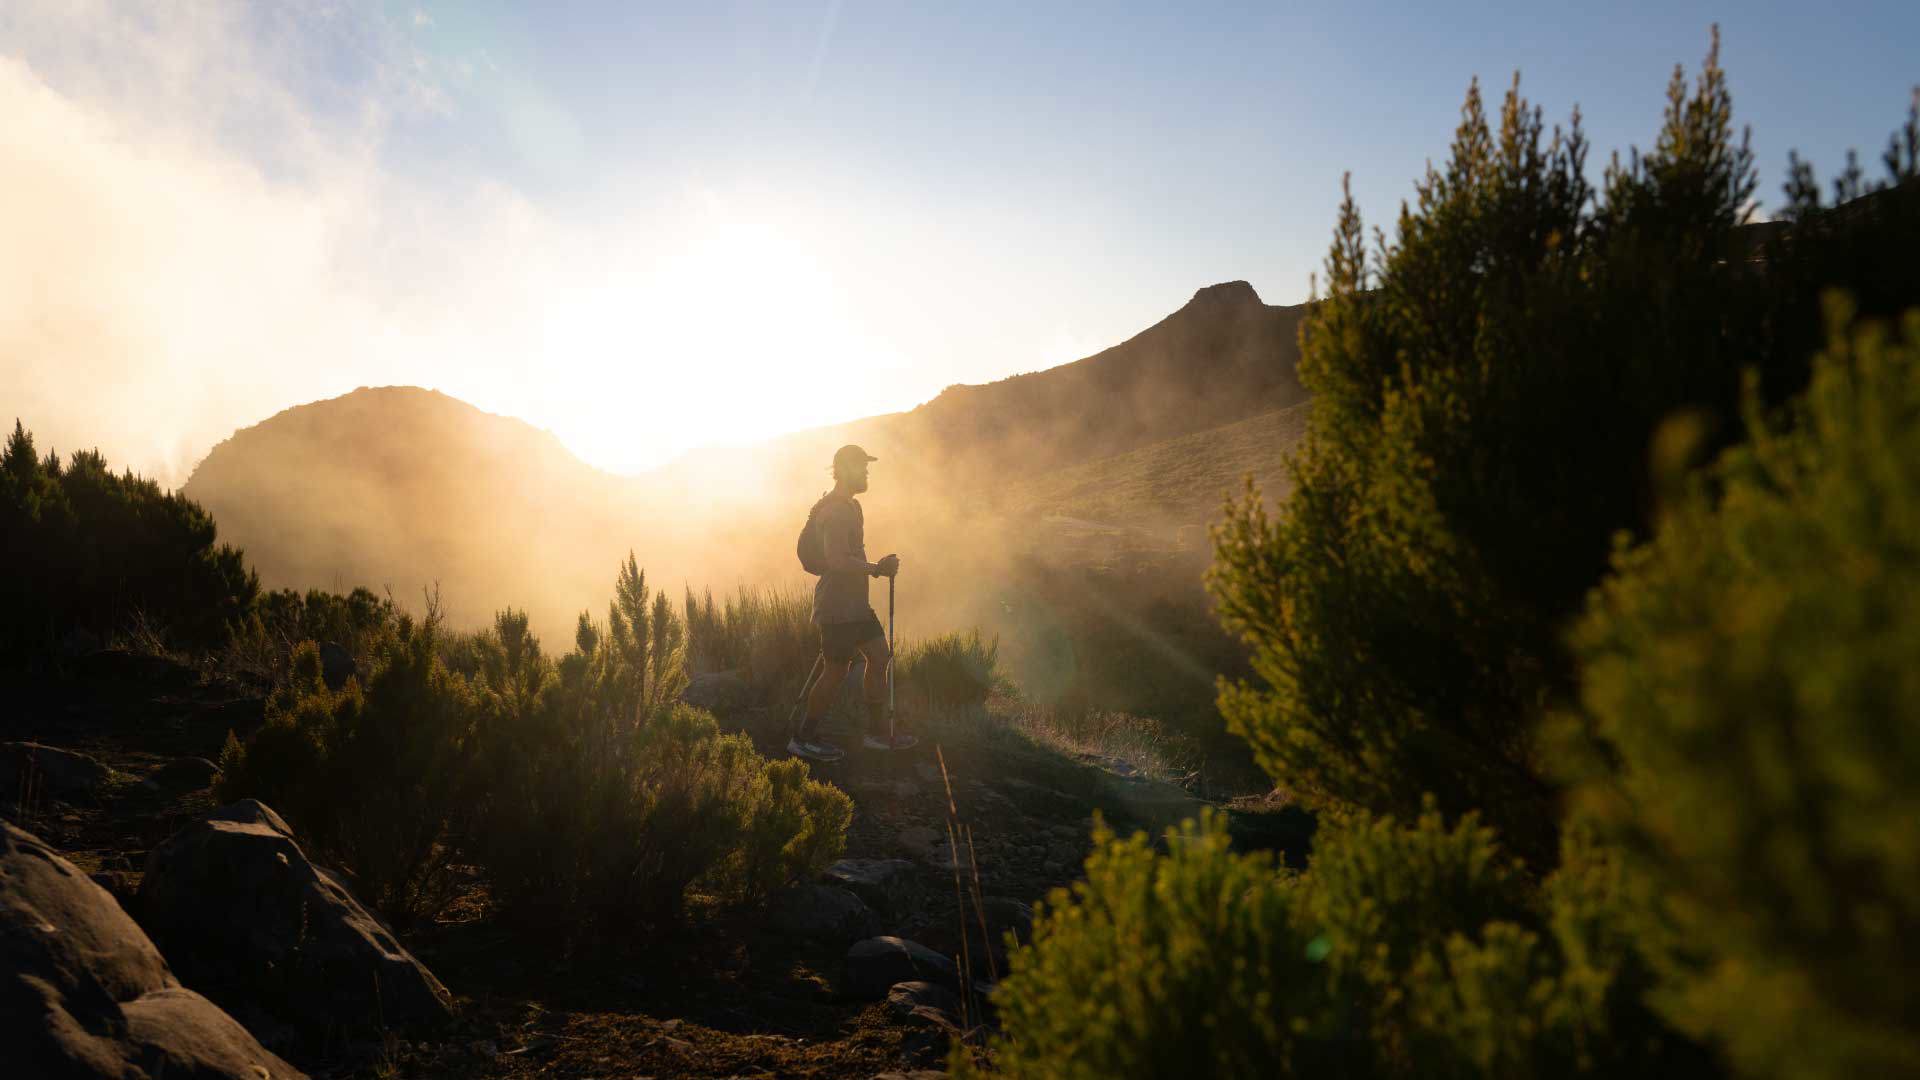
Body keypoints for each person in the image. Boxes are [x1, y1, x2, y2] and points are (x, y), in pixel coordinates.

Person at [788, 443, 917, 762]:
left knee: (880, 656)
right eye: (862, 467)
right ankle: (803, 738)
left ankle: (875, 732)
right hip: (836, 607)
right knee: (836, 671)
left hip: (855, 606)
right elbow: (836, 559)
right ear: (846, 469)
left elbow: (848, 556)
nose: (867, 472)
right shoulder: (836, 511)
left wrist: (875, 566)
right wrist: (877, 569)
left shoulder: (851, 506)